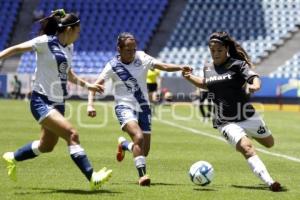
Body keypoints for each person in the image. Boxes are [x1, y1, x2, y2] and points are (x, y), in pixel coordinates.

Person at [0, 9, 112, 190]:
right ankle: (93, 177)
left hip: (59, 103)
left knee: (46, 146)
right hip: (41, 101)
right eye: (78, 30)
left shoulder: (69, 48)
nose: (79, 34)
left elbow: (68, 74)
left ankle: (12, 157)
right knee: (72, 134)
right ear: (69, 30)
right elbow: (16, 49)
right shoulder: (44, 42)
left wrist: (87, 86)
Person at [182, 31, 282, 192]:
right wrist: (189, 77)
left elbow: (253, 77)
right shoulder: (207, 68)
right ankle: (270, 182)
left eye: (219, 50)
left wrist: (255, 85)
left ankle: (244, 134)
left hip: (248, 116)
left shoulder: (238, 65)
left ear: (227, 48)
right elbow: (206, 84)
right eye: (212, 50)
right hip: (225, 121)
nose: (215, 54)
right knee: (247, 147)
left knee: (270, 143)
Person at [87, 32, 191, 186]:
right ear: (119, 49)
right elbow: (94, 87)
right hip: (124, 106)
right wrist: (90, 104)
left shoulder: (141, 57)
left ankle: (124, 145)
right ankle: (143, 176)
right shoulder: (112, 66)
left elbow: (162, 65)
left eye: (134, 49)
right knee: (139, 137)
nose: (132, 53)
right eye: (128, 50)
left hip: (143, 107)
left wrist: (180, 67)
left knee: (144, 150)